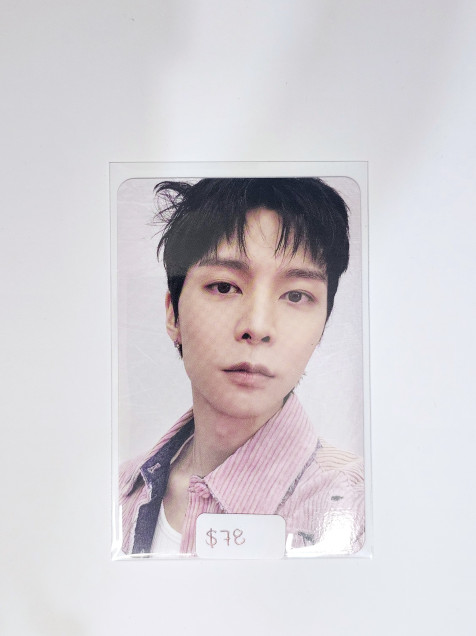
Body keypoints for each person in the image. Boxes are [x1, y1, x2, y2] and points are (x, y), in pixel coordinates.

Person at [119, 178, 365, 556]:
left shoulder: (360, 508)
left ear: (322, 326)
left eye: (296, 295)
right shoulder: (116, 493)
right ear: (173, 314)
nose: (258, 326)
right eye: (224, 287)